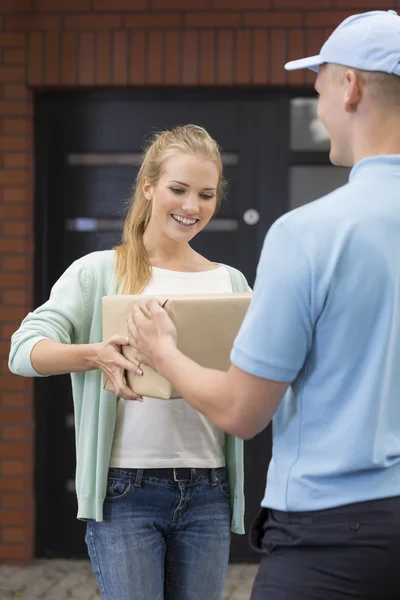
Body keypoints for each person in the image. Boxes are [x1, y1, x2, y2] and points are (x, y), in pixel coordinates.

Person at [128, 10, 400, 600]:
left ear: (349, 86)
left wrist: (162, 351)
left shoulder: (311, 233)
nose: (319, 99)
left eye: (320, 82)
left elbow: (241, 412)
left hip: (335, 538)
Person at [8, 124, 250, 600]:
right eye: (177, 190)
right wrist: (93, 354)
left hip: (209, 490)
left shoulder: (231, 283)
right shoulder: (100, 271)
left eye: (205, 194)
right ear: (148, 187)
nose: (191, 207)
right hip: (125, 492)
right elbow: (23, 351)